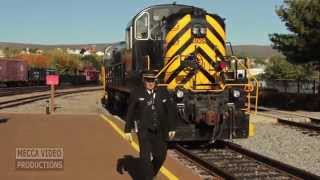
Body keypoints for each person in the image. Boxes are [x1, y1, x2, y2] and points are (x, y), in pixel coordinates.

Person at [124, 70, 176, 180]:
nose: (150, 83)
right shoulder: (136, 93)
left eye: (152, 80)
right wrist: (127, 130)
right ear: (144, 81)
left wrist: (172, 128)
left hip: (160, 131)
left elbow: (170, 110)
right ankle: (148, 177)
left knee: (160, 156)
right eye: (148, 80)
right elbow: (130, 112)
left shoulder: (163, 92)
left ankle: (152, 172)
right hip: (144, 131)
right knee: (145, 158)